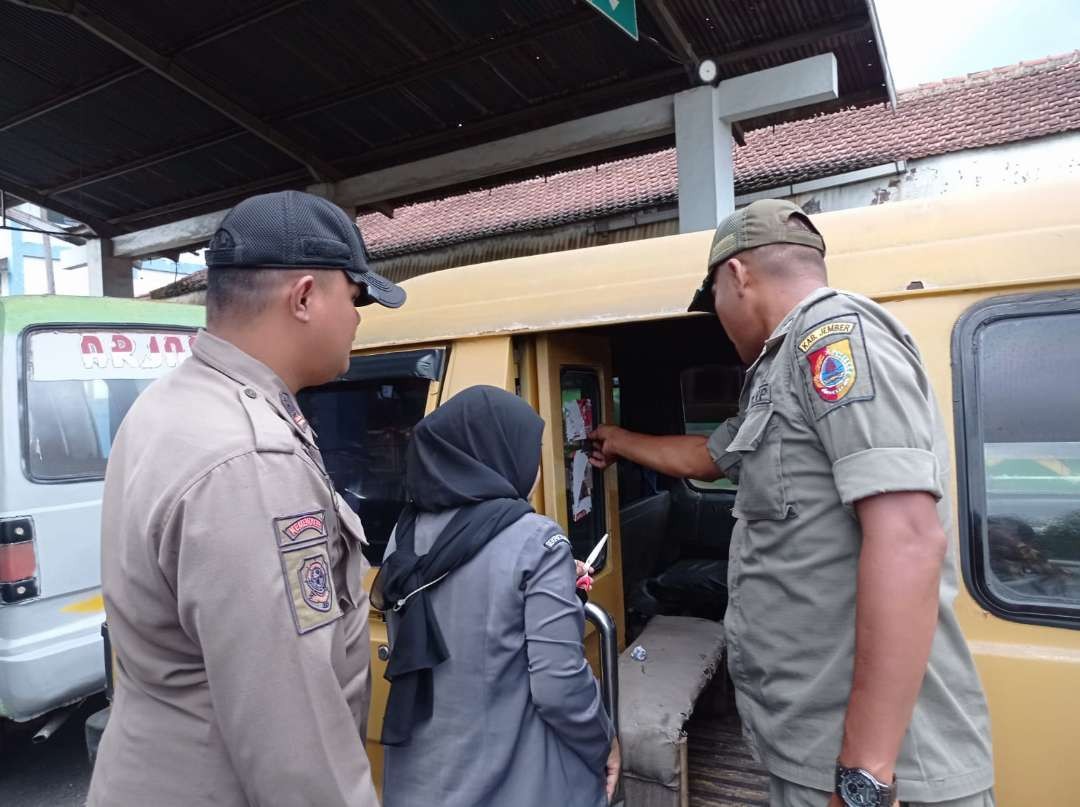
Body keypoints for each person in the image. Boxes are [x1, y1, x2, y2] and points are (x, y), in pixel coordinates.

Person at [589, 199, 994, 807]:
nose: (719, 322)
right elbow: (709, 457)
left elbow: (908, 539)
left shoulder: (833, 339)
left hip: (864, 771)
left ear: (737, 276)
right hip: (812, 749)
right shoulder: (778, 370)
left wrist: (864, 775)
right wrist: (620, 441)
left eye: (715, 303)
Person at [87, 190, 405, 807]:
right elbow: (296, 746)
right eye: (356, 296)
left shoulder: (172, 403)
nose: (361, 317)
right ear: (306, 297)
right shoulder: (252, 461)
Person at [375, 385, 619, 807]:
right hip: (510, 784)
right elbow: (560, 688)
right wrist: (606, 741)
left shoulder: (403, 534)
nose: (537, 466)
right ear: (499, 454)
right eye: (531, 450)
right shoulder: (536, 540)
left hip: (419, 784)